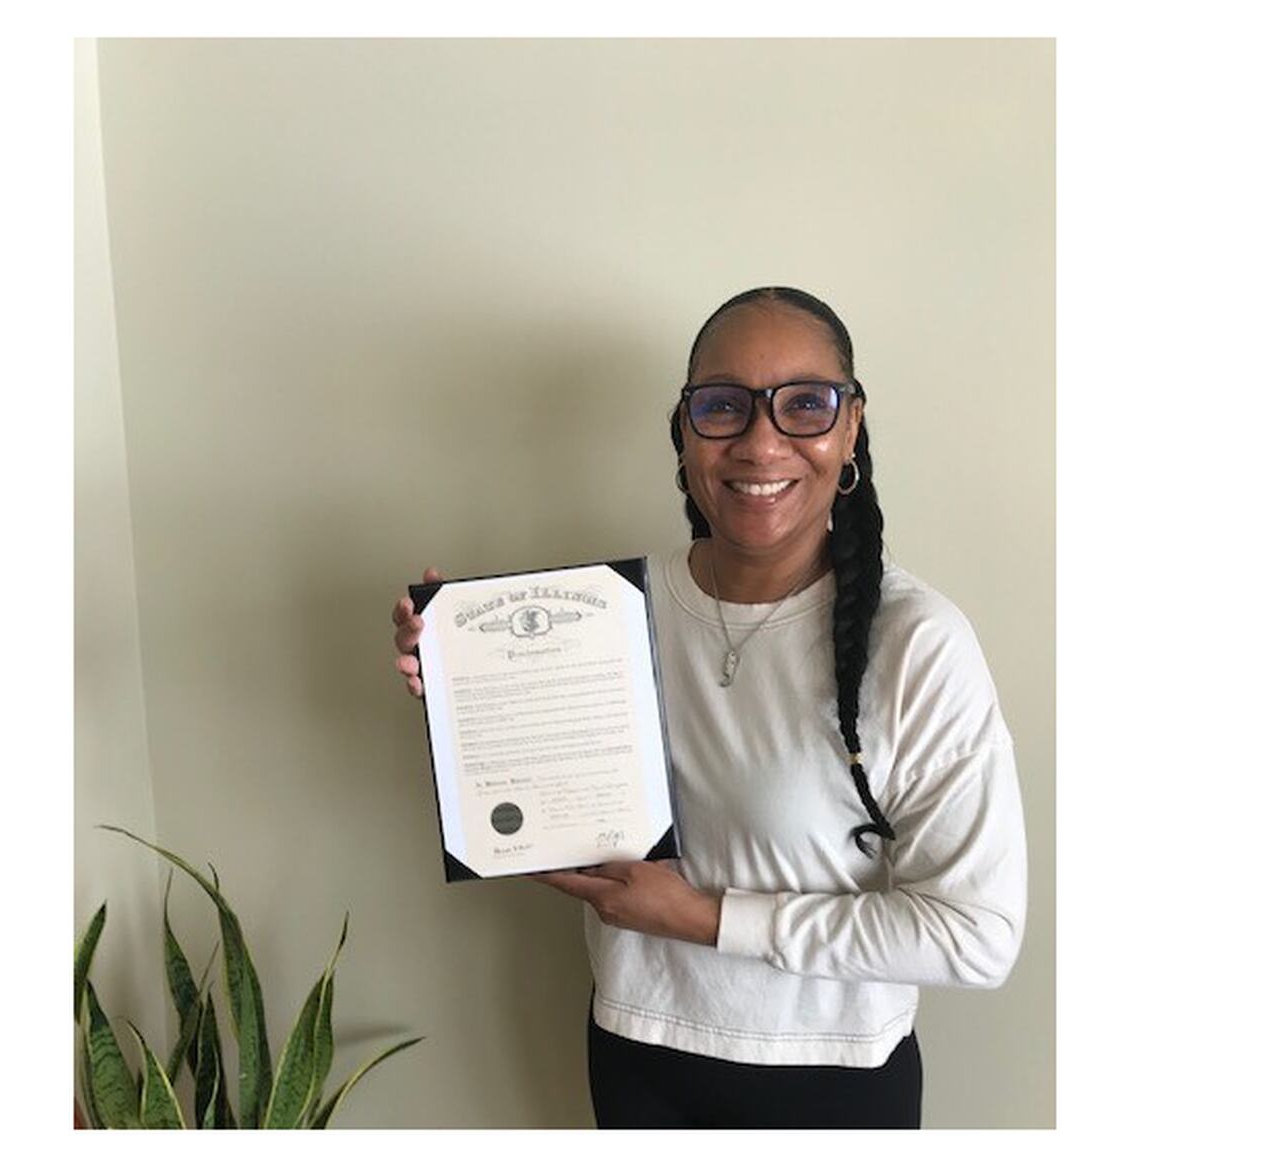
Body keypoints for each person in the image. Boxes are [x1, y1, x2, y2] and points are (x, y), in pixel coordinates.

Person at [391, 286, 1027, 1128]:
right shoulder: (608, 612)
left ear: (850, 429)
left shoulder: (918, 644)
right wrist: (469, 690)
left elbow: (974, 934)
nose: (761, 442)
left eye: (805, 404)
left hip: (830, 1077)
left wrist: (707, 918)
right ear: (686, 432)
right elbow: (573, 831)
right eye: (723, 406)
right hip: (635, 1046)